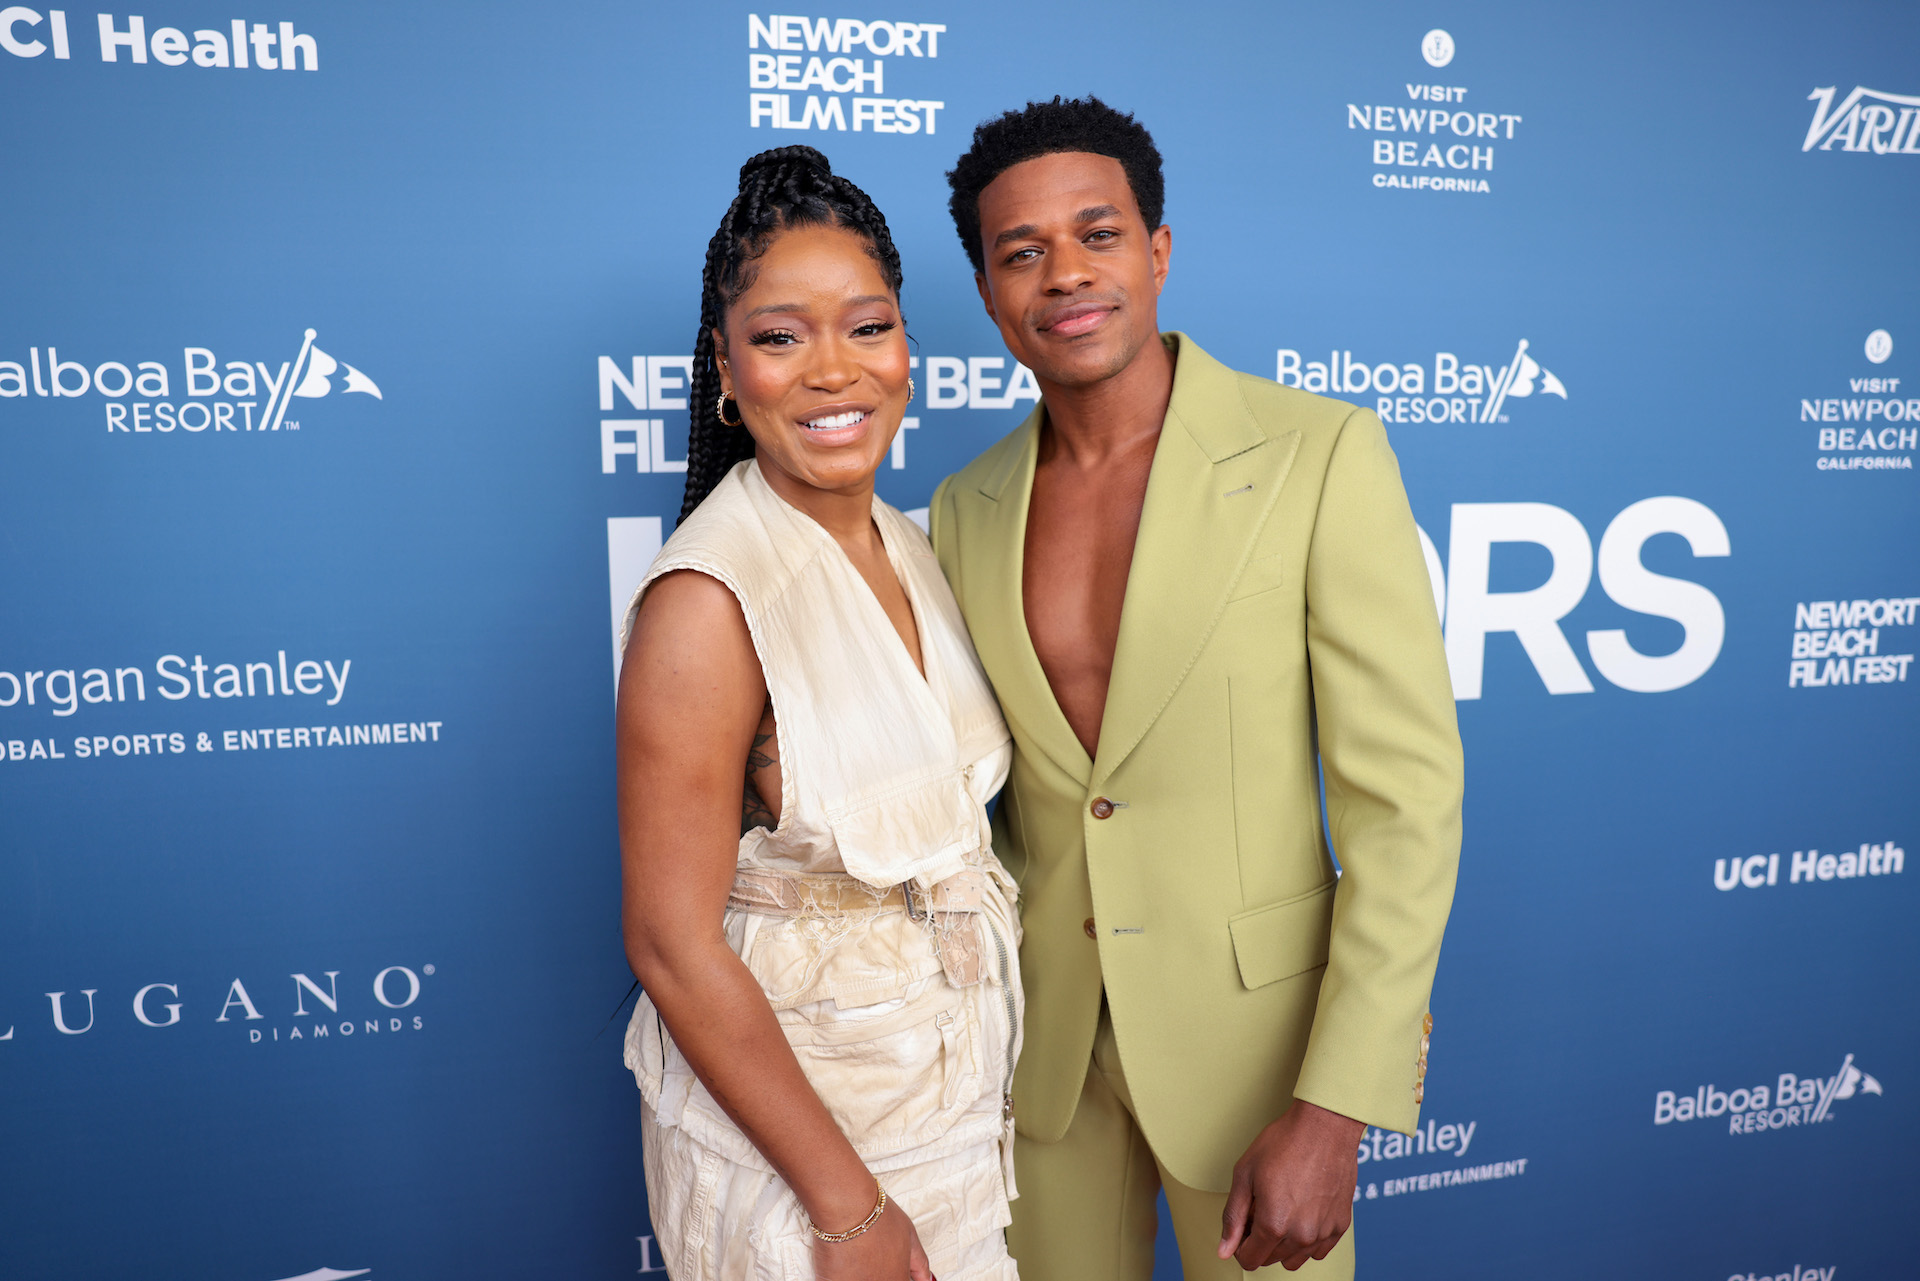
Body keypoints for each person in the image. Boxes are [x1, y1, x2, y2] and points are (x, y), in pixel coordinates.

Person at [929, 98, 1463, 1279]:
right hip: (1043, 1065)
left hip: (1258, 1068)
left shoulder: (1318, 456)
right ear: (986, 292)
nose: (1064, 274)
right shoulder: (961, 510)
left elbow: (1406, 805)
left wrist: (1337, 1106)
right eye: (1021, 253)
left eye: (1097, 234)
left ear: (1158, 251)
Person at [616, 145, 1023, 1281]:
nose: (835, 370)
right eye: (781, 336)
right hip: (810, 1166)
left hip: (951, 1126)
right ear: (726, 369)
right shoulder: (708, 599)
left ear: (905, 346)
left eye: (869, 326)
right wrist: (848, 1212)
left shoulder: (916, 543)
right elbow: (671, 943)